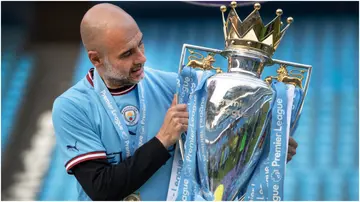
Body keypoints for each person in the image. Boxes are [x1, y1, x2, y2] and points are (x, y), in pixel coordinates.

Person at [52, 3, 298, 201]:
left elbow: (218, 151)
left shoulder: (177, 87)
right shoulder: (72, 107)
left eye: (140, 44)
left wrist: (266, 148)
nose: (142, 58)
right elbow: (102, 189)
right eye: (127, 53)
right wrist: (163, 140)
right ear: (96, 59)